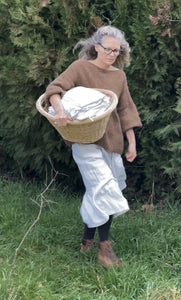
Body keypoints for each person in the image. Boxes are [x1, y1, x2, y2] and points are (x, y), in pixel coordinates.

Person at [44, 25, 142, 268]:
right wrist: (62, 113)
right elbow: (54, 90)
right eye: (107, 49)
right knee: (104, 186)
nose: (111, 54)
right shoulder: (80, 68)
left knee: (100, 189)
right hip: (85, 141)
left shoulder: (119, 76)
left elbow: (126, 110)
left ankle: (87, 238)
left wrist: (131, 143)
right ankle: (104, 248)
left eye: (116, 51)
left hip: (112, 142)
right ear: (96, 47)